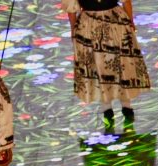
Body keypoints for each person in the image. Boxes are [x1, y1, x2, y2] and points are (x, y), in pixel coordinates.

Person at [62, 0, 152, 130]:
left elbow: (126, 1)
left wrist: (130, 21)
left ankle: (122, 105)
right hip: (96, 24)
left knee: (118, 62)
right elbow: (71, 7)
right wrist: (74, 30)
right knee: (101, 64)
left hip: (109, 22)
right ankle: (110, 107)